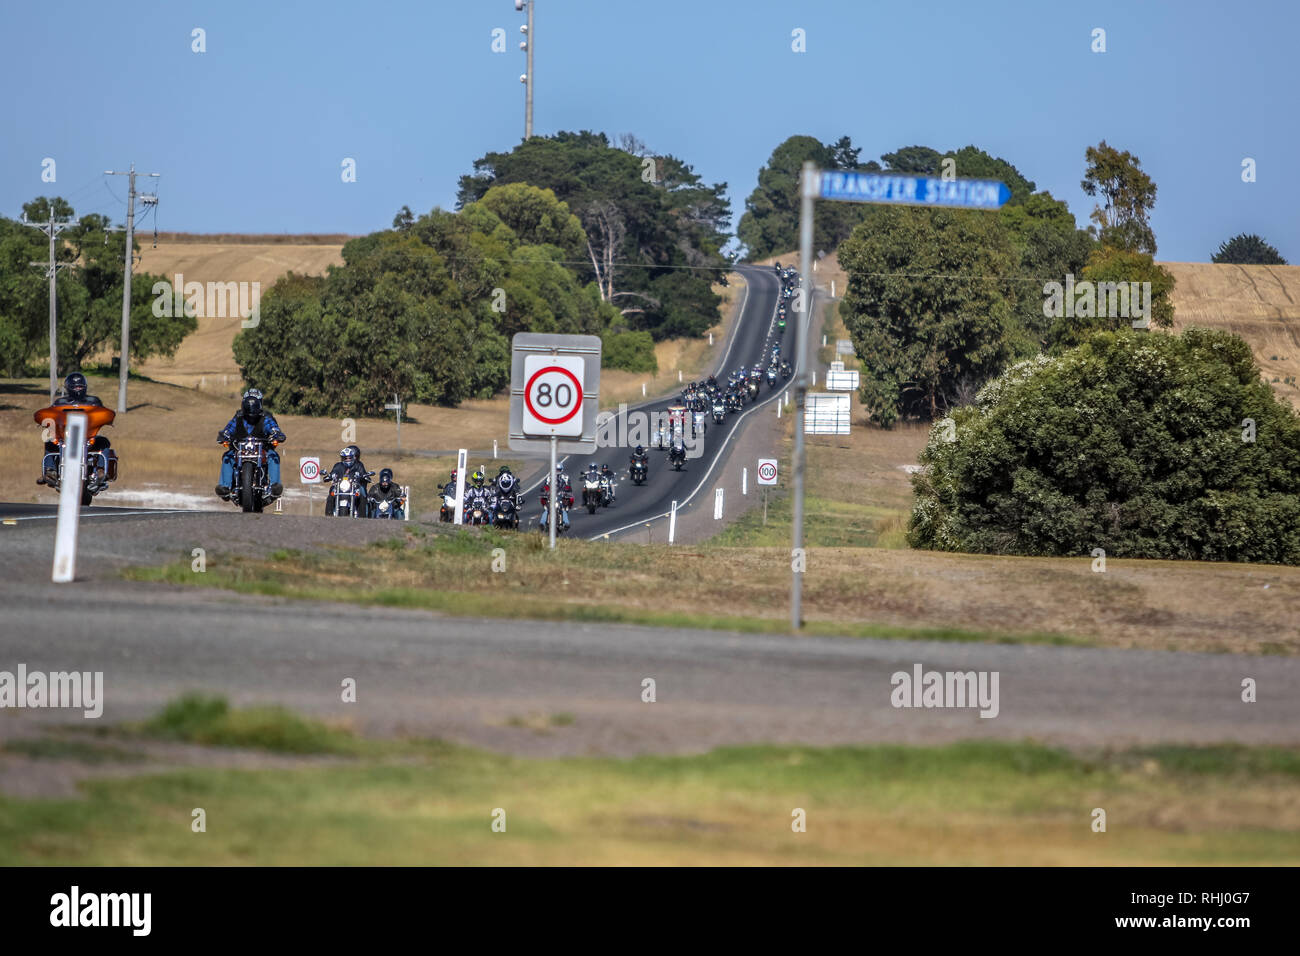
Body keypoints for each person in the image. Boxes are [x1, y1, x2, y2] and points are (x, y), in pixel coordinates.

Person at [39, 372, 114, 487]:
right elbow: (51, 414)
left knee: (104, 442)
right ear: (68, 388)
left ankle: (101, 470)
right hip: (65, 436)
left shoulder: (93, 401)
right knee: (49, 443)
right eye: (75, 387)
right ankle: (50, 471)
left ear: (85, 387)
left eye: (80, 386)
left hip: (88, 436)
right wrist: (44, 419)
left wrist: (107, 419)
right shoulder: (60, 402)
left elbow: (103, 413)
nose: (77, 389)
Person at [216, 388, 285, 500]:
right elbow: (228, 429)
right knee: (227, 457)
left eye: (254, 404)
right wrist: (224, 435)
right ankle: (225, 487)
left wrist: (276, 434)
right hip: (240, 449)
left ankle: (274, 486)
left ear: (260, 404)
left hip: (262, 450)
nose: (251, 408)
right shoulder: (238, 417)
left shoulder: (265, 417)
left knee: (273, 456)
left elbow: (273, 427)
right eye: (248, 404)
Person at [325, 445, 370, 515]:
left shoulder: (358, 465)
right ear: (342, 458)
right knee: (331, 494)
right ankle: (328, 515)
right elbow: (333, 472)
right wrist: (329, 476)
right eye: (345, 458)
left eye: (349, 458)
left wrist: (364, 476)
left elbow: (363, 473)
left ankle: (362, 516)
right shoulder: (338, 465)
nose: (348, 459)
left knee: (361, 495)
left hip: (354, 486)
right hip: (340, 486)